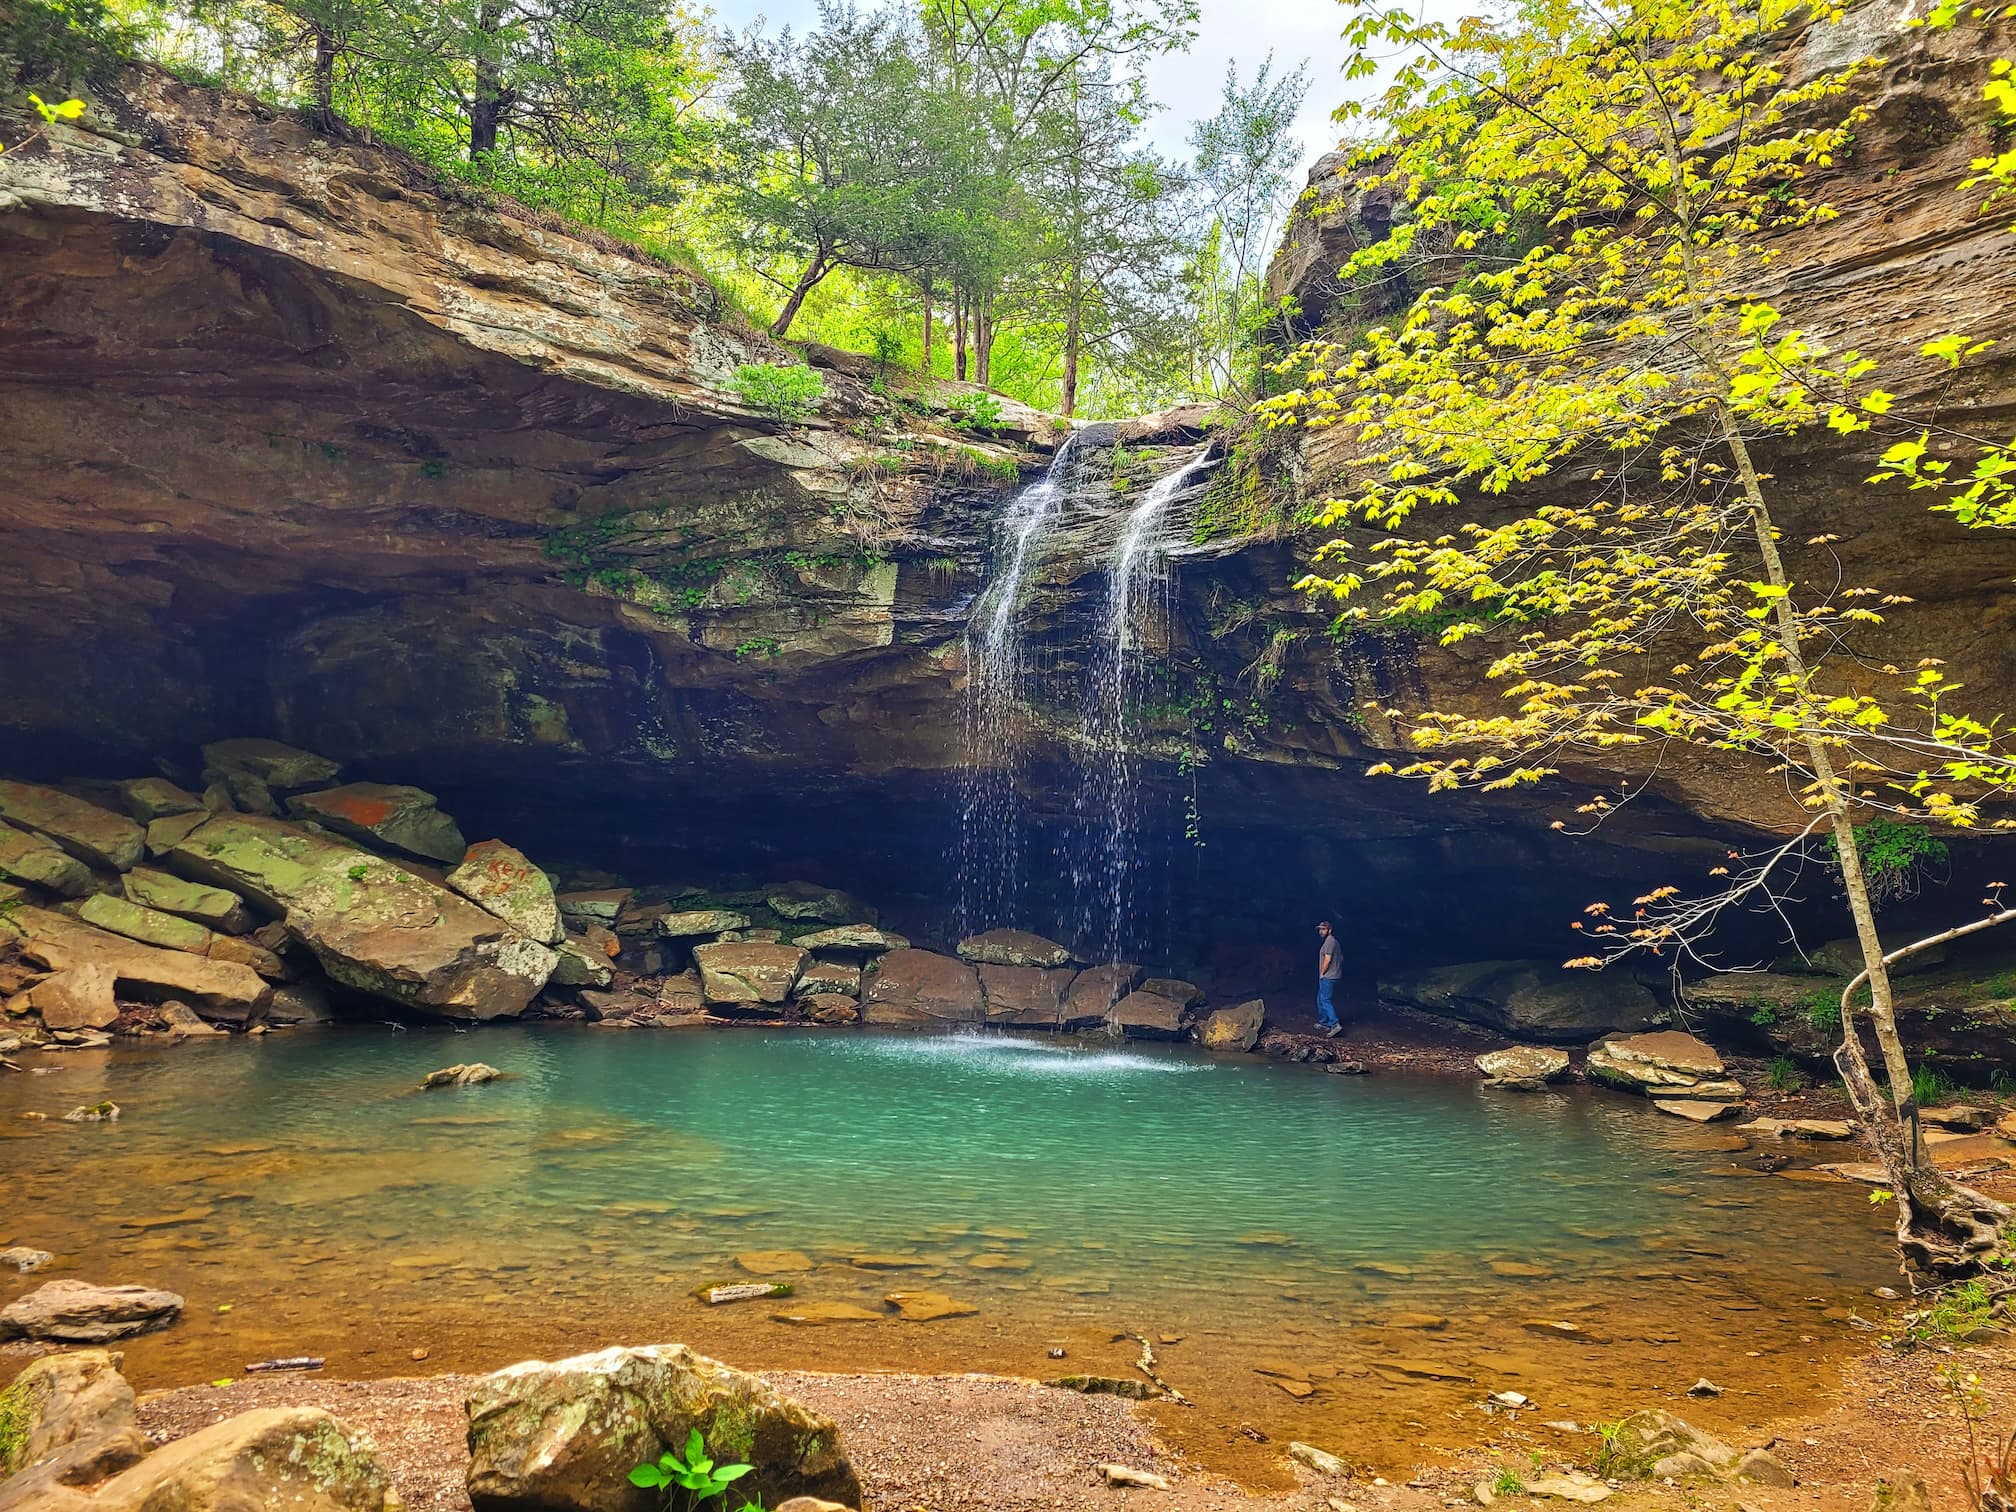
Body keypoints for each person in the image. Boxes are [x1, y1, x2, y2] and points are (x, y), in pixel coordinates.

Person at [1316, 920, 1344, 1037]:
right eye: (1320, 929)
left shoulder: (1329, 942)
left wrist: (1322, 973)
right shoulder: (1334, 942)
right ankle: (1324, 1022)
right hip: (1333, 975)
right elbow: (1341, 958)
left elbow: (1328, 959)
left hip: (1328, 976)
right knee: (1320, 999)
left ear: (1330, 930)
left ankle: (1334, 1024)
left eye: (1323, 929)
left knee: (1325, 1000)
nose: (1321, 931)